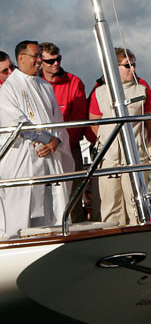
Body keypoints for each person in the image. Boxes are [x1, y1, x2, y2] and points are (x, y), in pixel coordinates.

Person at [0, 40, 75, 238]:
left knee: (54, 211)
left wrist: (56, 140)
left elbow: (57, 120)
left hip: (50, 156)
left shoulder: (45, 86)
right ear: (21, 58)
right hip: (24, 160)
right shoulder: (8, 89)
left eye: (40, 56)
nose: (40, 60)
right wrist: (46, 138)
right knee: (22, 212)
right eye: (36, 56)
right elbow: (17, 124)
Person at [89, 48, 151, 225]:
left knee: (137, 205)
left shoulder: (142, 89)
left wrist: (141, 144)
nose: (132, 69)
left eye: (133, 65)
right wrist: (108, 144)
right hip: (109, 158)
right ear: (113, 67)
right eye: (127, 65)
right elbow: (94, 122)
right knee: (111, 206)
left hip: (136, 156)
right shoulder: (100, 92)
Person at [40, 41, 95, 221]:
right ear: (40, 62)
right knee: (42, 200)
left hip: (69, 149)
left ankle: (78, 237)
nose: (56, 64)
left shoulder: (74, 83)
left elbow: (78, 122)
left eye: (58, 59)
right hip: (40, 152)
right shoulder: (34, 84)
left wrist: (59, 144)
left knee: (73, 201)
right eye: (50, 61)